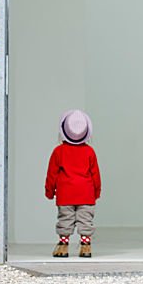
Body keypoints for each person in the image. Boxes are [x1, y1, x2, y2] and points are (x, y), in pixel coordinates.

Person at [45, 109, 101, 258]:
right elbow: (96, 175)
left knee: (65, 220)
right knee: (85, 221)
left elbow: (52, 174)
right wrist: (96, 192)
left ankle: (63, 246)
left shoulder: (58, 151)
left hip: (66, 194)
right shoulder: (90, 152)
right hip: (86, 193)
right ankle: (86, 246)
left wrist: (49, 192)